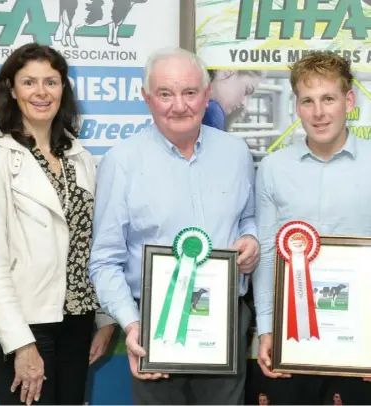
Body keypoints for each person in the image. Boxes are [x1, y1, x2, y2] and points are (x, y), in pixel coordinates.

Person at [89, 47, 260, 405]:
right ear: (146, 98)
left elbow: (247, 218)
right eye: (165, 94)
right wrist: (132, 323)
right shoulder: (121, 162)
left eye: (189, 92)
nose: (179, 106)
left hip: (226, 320)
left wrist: (250, 239)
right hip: (154, 327)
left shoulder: (236, 153)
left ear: (207, 94)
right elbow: (104, 260)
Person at [0, 43, 115, 406]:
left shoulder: (79, 157)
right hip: (23, 324)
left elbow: (91, 243)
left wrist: (103, 318)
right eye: (29, 82)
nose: (41, 92)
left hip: (77, 320)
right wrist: (21, 343)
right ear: (10, 89)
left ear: (63, 89)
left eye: (51, 82)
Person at [253, 51, 371, 403]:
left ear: (349, 101)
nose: (319, 113)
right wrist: (267, 328)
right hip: (293, 341)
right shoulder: (273, 168)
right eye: (308, 101)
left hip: (362, 339)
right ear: (297, 106)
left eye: (328, 99)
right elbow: (268, 252)